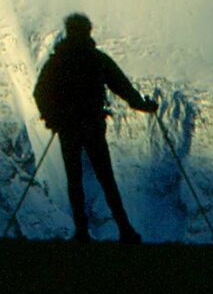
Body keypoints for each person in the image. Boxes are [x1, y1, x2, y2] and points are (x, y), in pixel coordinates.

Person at [33, 13, 158, 243]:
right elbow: (123, 87)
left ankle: (81, 232)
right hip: (92, 124)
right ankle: (125, 229)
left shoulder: (57, 61)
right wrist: (143, 105)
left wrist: (52, 118)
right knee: (106, 178)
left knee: (74, 180)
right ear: (88, 31)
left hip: (68, 127)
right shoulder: (97, 59)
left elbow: (40, 92)